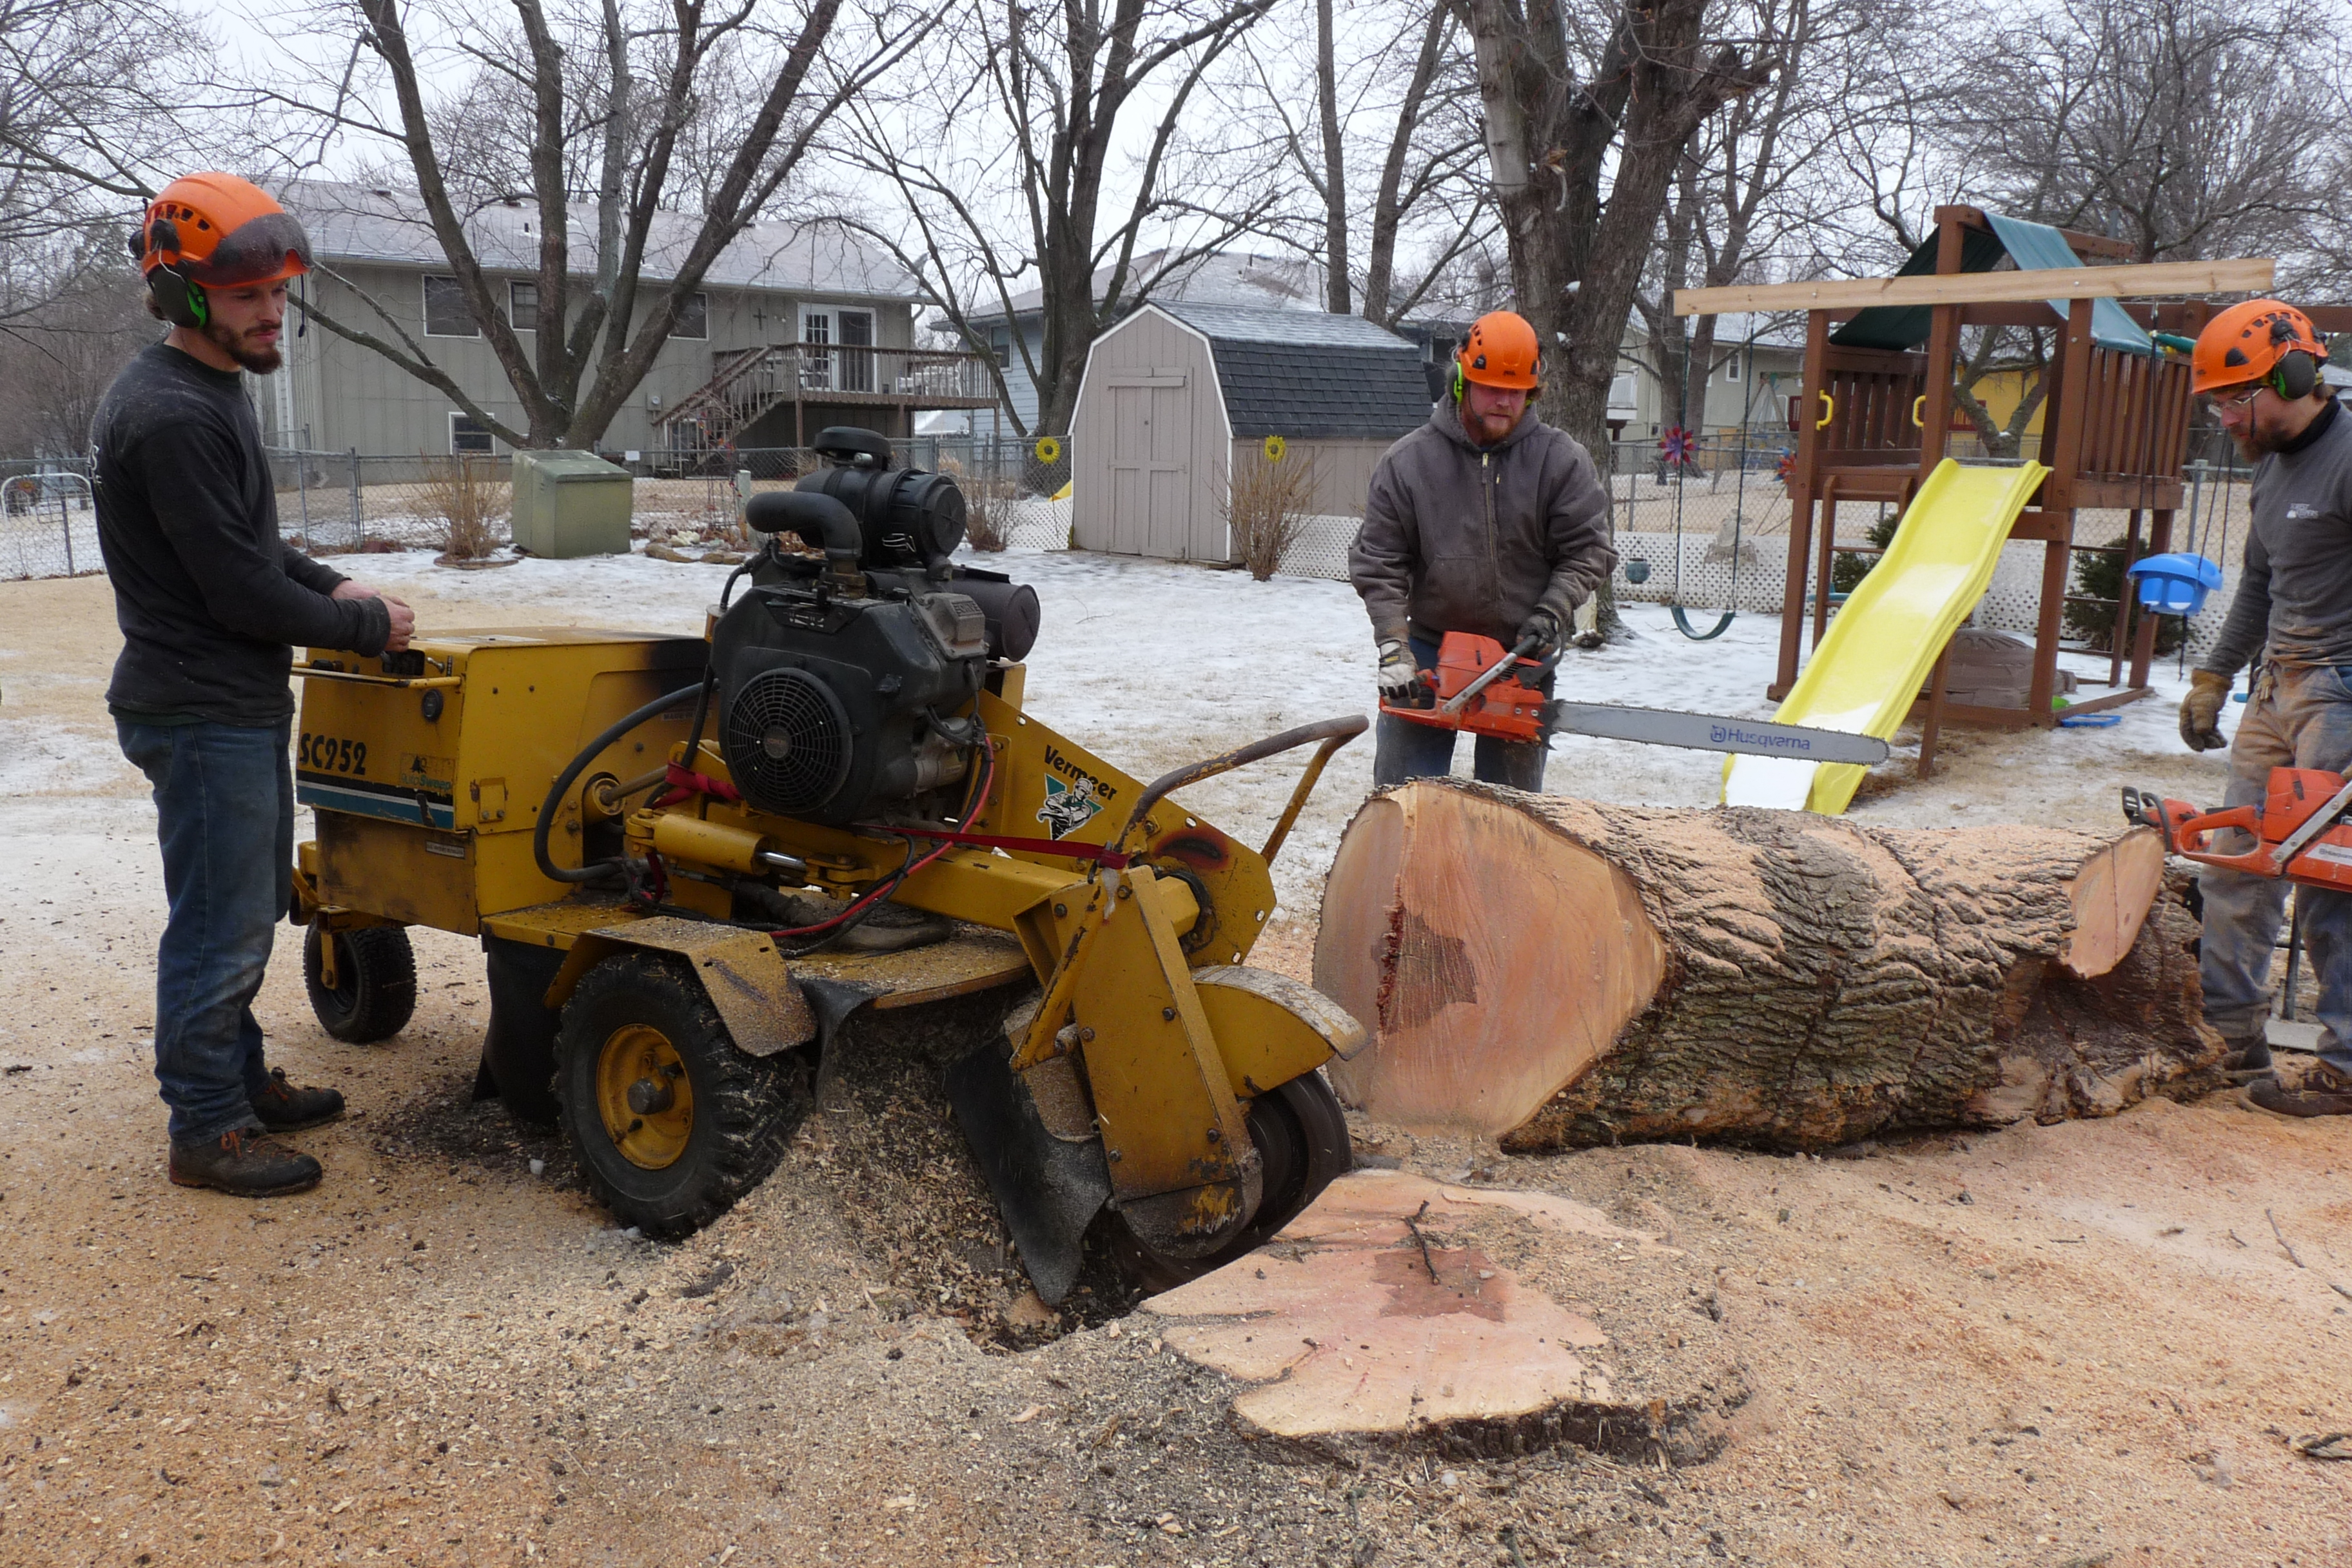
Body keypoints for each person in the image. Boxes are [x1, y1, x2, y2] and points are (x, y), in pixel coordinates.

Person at [95, 172, 416, 1194]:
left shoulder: (202, 391)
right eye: (248, 297)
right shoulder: (174, 416)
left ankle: (234, 1080)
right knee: (221, 927)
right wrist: (361, 627)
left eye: (280, 292)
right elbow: (237, 590)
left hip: (220, 703)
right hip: (199, 706)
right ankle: (209, 1129)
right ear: (188, 298)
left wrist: (333, 583)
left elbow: (254, 548)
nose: (274, 313)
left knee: (237, 908)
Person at [2177, 298, 2352, 1118]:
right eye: (2218, 401)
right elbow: (2257, 581)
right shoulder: (2270, 467)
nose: (2226, 416)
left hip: (2342, 693)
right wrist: (2215, 674)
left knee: (2333, 879)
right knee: (2236, 864)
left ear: (2295, 373)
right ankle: (2229, 1036)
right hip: (2276, 686)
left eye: (2237, 397)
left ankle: (2347, 1063)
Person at [1349, 310, 1617, 789]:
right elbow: (1379, 560)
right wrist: (1394, 644)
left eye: (1515, 392)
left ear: (1532, 392)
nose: (1503, 401)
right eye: (1491, 387)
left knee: (1511, 811)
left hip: (1523, 652)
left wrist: (1552, 611)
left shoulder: (1559, 461)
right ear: (1462, 381)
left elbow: (1589, 550)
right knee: (1406, 796)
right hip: (1432, 649)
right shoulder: (1410, 462)